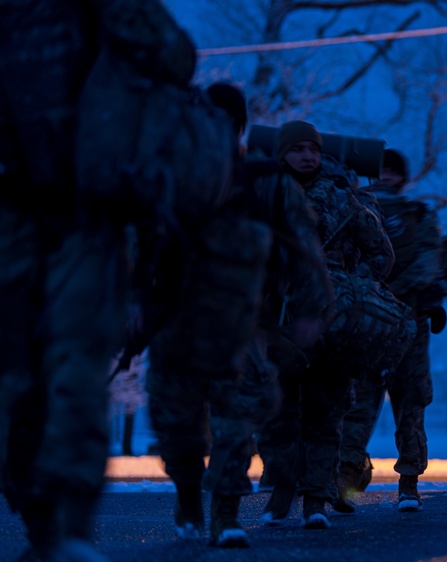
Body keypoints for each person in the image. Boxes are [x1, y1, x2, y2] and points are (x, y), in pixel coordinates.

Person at [0, 1, 195, 559]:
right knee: (16, 382)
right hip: (14, 216)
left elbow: (177, 58)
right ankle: (44, 521)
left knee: (74, 374)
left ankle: (66, 528)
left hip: (87, 216)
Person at [143, 84, 332, 548]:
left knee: (236, 417)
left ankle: (225, 512)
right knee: (176, 422)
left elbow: (306, 249)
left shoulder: (267, 181)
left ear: (238, 128)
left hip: (244, 320)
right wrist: (129, 307)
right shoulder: (167, 178)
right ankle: (187, 491)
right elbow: (136, 245)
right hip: (175, 320)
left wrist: (311, 309)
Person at [256, 120, 399, 529]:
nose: (307, 156)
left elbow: (381, 254)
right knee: (274, 411)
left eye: (313, 149)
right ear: (282, 154)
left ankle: (316, 499)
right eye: (298, 149)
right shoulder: (262, 196)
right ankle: (283, 486)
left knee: (325, 411)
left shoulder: (343, 199)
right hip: (274, 319)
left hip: (331, 321)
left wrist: (353, 287)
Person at [337, 149, 447, 512]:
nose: (385, 176)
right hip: (369, 323)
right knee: (358, 404)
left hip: (407, 320)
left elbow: (429, 261)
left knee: (411, 402)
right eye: (379, 170)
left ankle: (409, 484)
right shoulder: (355, 209)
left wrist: (392, 291)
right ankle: (347, 481)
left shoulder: (418, 214)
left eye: (392, 171)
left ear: (402, 177)